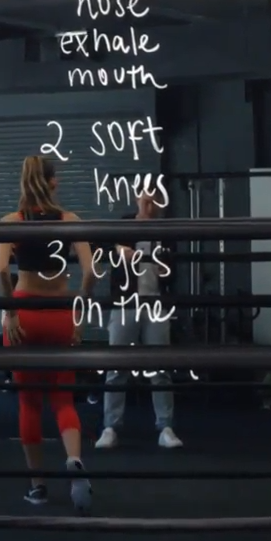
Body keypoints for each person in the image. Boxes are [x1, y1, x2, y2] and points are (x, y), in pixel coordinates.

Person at [0, 155, 95, 511]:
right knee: (63, 399)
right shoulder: (70, 220)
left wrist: (10, 312)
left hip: (25, 313)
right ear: (51, 182)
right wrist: (78, 315)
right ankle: (74, 460)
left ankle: (38, 486)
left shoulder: (11, 222)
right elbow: (90, 272)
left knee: (29, 402)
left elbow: (1, 271)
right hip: (60, 313)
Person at [95, 190, 183, 449]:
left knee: (160, 367)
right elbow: (101, 247)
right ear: (136, 200)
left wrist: (163, 268)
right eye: (145, 200)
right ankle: (110, 426)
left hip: (155, 303)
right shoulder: (124, 225)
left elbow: (173, 271)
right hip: (126, 303)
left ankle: (165, 426)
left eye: (153, 201)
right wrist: (118, 250)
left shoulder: (165, 232)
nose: (149, 206)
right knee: (116, 366)